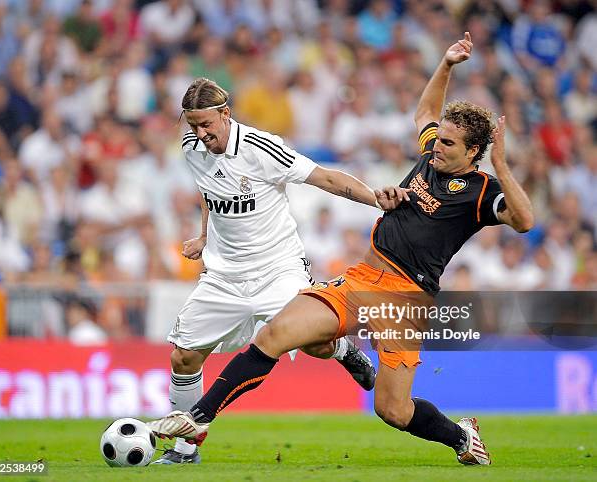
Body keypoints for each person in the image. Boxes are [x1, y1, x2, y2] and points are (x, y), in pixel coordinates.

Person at [147, 32, 534, 466]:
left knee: (393, 410)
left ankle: (461, 438)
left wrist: (501, 165)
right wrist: (445, 65)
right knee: (273, 334)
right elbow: (426, 110)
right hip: (362, 277)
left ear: (474, 152)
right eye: (438, 138)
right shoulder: (431, 155)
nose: (435, 146)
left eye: (447, 143)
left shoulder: (482, 192)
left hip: (405, 298)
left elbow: (524, 221)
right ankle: (197, 418)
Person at [153, 77, 384, 464]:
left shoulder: (262, 148)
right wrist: (204, 236)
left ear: (226, 114)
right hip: (224, 275)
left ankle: (342, 349)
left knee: (314, 343)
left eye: (206, 123)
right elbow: (212, 192)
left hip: (278, 267)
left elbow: (326, 178)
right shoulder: (192, 147)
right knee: (184, 358)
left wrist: (380, 200)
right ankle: (185, 450)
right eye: (192, 124)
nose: (199, 132)